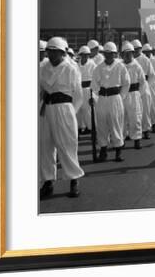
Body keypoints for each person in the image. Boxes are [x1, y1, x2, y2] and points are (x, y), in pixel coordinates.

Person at [39, 37, 84, 199]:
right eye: (49, 51)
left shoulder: (70, 69)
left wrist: (71, 111)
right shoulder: (42, 68)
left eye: (55, 52)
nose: (51, 55)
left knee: (67, 144)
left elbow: (78, 95)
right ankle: (48, 181)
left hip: (64, 109)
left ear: (62, 53)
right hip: (46, 109)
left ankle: (73, 180)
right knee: (45, 146)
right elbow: (40, 91)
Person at [91, 42, 130, 162]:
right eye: (106, 54)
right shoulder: (98, 68)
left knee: (116, 123)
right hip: (102, 98)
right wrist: (94, 97)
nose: (108, 56)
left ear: (115, 54)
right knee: (102, 125)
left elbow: (126, 83)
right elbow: (94, 85)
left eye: (111, 54)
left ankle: (118, 150)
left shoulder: (120, 67)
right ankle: (103, 150)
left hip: (115, 98)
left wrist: (121, 97)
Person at [121, 42, 146, 150]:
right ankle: (121, 140)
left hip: (134, 94)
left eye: (130, 53)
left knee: (135, 117)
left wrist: (138, 94)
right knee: (121, 118)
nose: (128, 56)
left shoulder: (137, 66)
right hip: (122, 95)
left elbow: (142, 82)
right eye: (125, 54)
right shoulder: (119, 66)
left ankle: (137, 139)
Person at [132, 40, 155, 139]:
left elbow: (151, 74)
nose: (137, 50)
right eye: (135, 49)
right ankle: (133, 131)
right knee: (134, 111)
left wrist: (147, 86)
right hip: (133, 88)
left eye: (138, 49)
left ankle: (146, 130)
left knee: (145, 110)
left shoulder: (145, 59)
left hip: (144, 86)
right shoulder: (129, 60)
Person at [142, 44, 155, 133]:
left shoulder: (154, 60)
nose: (147, 53)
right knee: (144, 107)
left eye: (148, 51)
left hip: (153, 84)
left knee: (154, 104)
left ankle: (154, 124)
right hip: (143, 85)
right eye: (145, 52)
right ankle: (145, 127)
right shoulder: (141, 60)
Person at [76, 45, 97, 135]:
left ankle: (92, 127)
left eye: (86, 55)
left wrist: (94, 92)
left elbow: (96, 78)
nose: (85, 56)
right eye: (83, 55)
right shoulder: (77, 65)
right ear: (80, 55)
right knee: (79, 109)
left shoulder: (92, 64)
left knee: (88, 110)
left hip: (89, 89)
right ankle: (80, 127)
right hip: (79, 89)